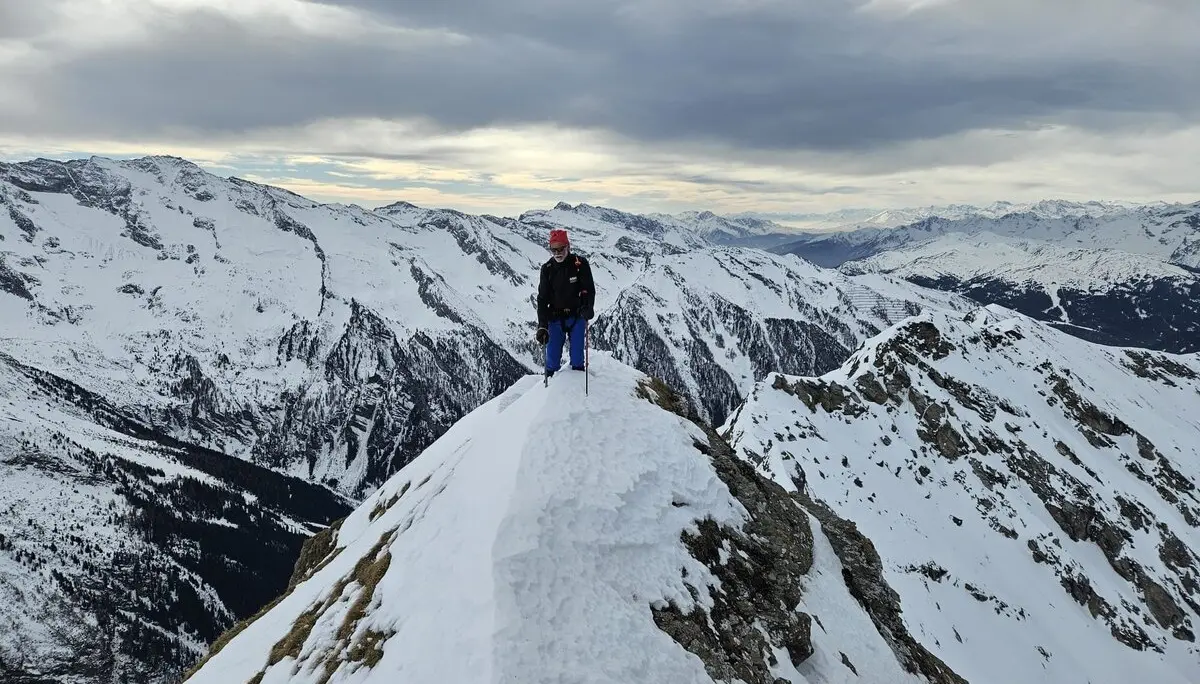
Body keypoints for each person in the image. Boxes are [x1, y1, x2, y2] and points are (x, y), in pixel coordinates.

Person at [535, 228, 595, 375]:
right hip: (554, 318)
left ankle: (578, 384)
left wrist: (588, 307)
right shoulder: (547, 269)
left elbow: (589, 289)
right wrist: (542, 326)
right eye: (553, 249)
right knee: (552, 360)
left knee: (577, 359)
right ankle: (550, 387)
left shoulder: (580, 264)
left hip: (577, 315)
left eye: (561, 248)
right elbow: (542, 299)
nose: (557, 253)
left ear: (568, 246)